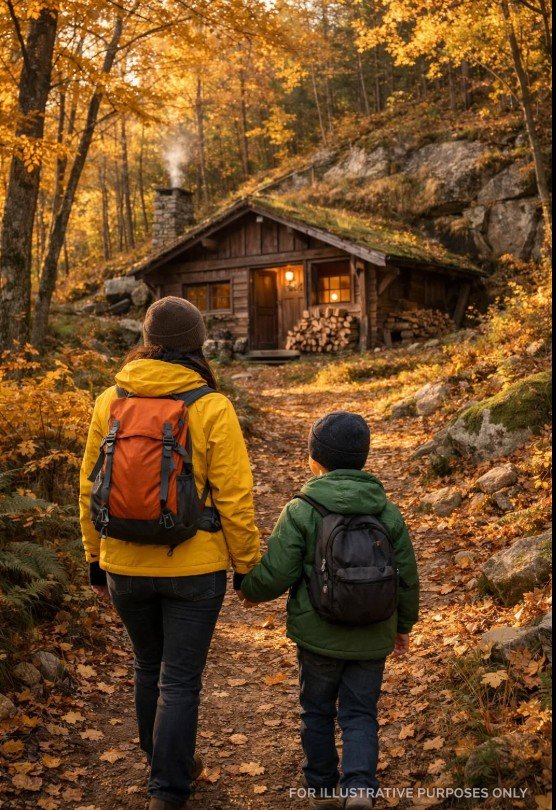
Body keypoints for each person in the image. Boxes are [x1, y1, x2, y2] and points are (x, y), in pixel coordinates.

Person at [79, 296, 260, 810]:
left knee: (146, 667)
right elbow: (234, 493)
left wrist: (94, 558)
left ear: (148, 340)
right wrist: (246, 566)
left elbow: (87, 488)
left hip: (122, 561)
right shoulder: (209, 405)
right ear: (197, 344)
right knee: (179, 680)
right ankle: (169, 787)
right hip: (195, 565)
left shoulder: (109, 399)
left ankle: (160, 760)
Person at [240, 411, 419, 810]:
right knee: (360, 713)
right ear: (363, 459)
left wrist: (249, 589)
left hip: (317, 634)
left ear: (314, 460)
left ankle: (321, 789)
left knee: (316, 711)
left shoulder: (302, 509)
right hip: (373, 634)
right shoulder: (387, 512)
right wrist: (403, 625)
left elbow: (279, 569)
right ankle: (359, 788)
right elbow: (406, 576)